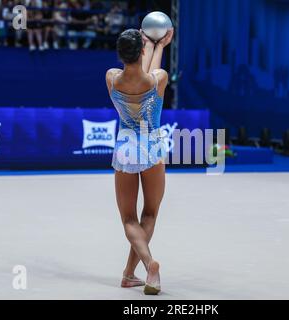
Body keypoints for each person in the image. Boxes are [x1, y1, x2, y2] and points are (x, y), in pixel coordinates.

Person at [105, 28, 174, 295]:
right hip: (152, 147)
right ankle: (144, 270)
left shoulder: (111, 78)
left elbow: (138, 73)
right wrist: (160, 46)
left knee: (128, 219)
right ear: (142, 52)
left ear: (120, 53)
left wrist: (152, 46)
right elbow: (149, 74)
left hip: (125, 148)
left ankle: (138, 270)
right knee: (150, 213)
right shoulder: (159, 79)